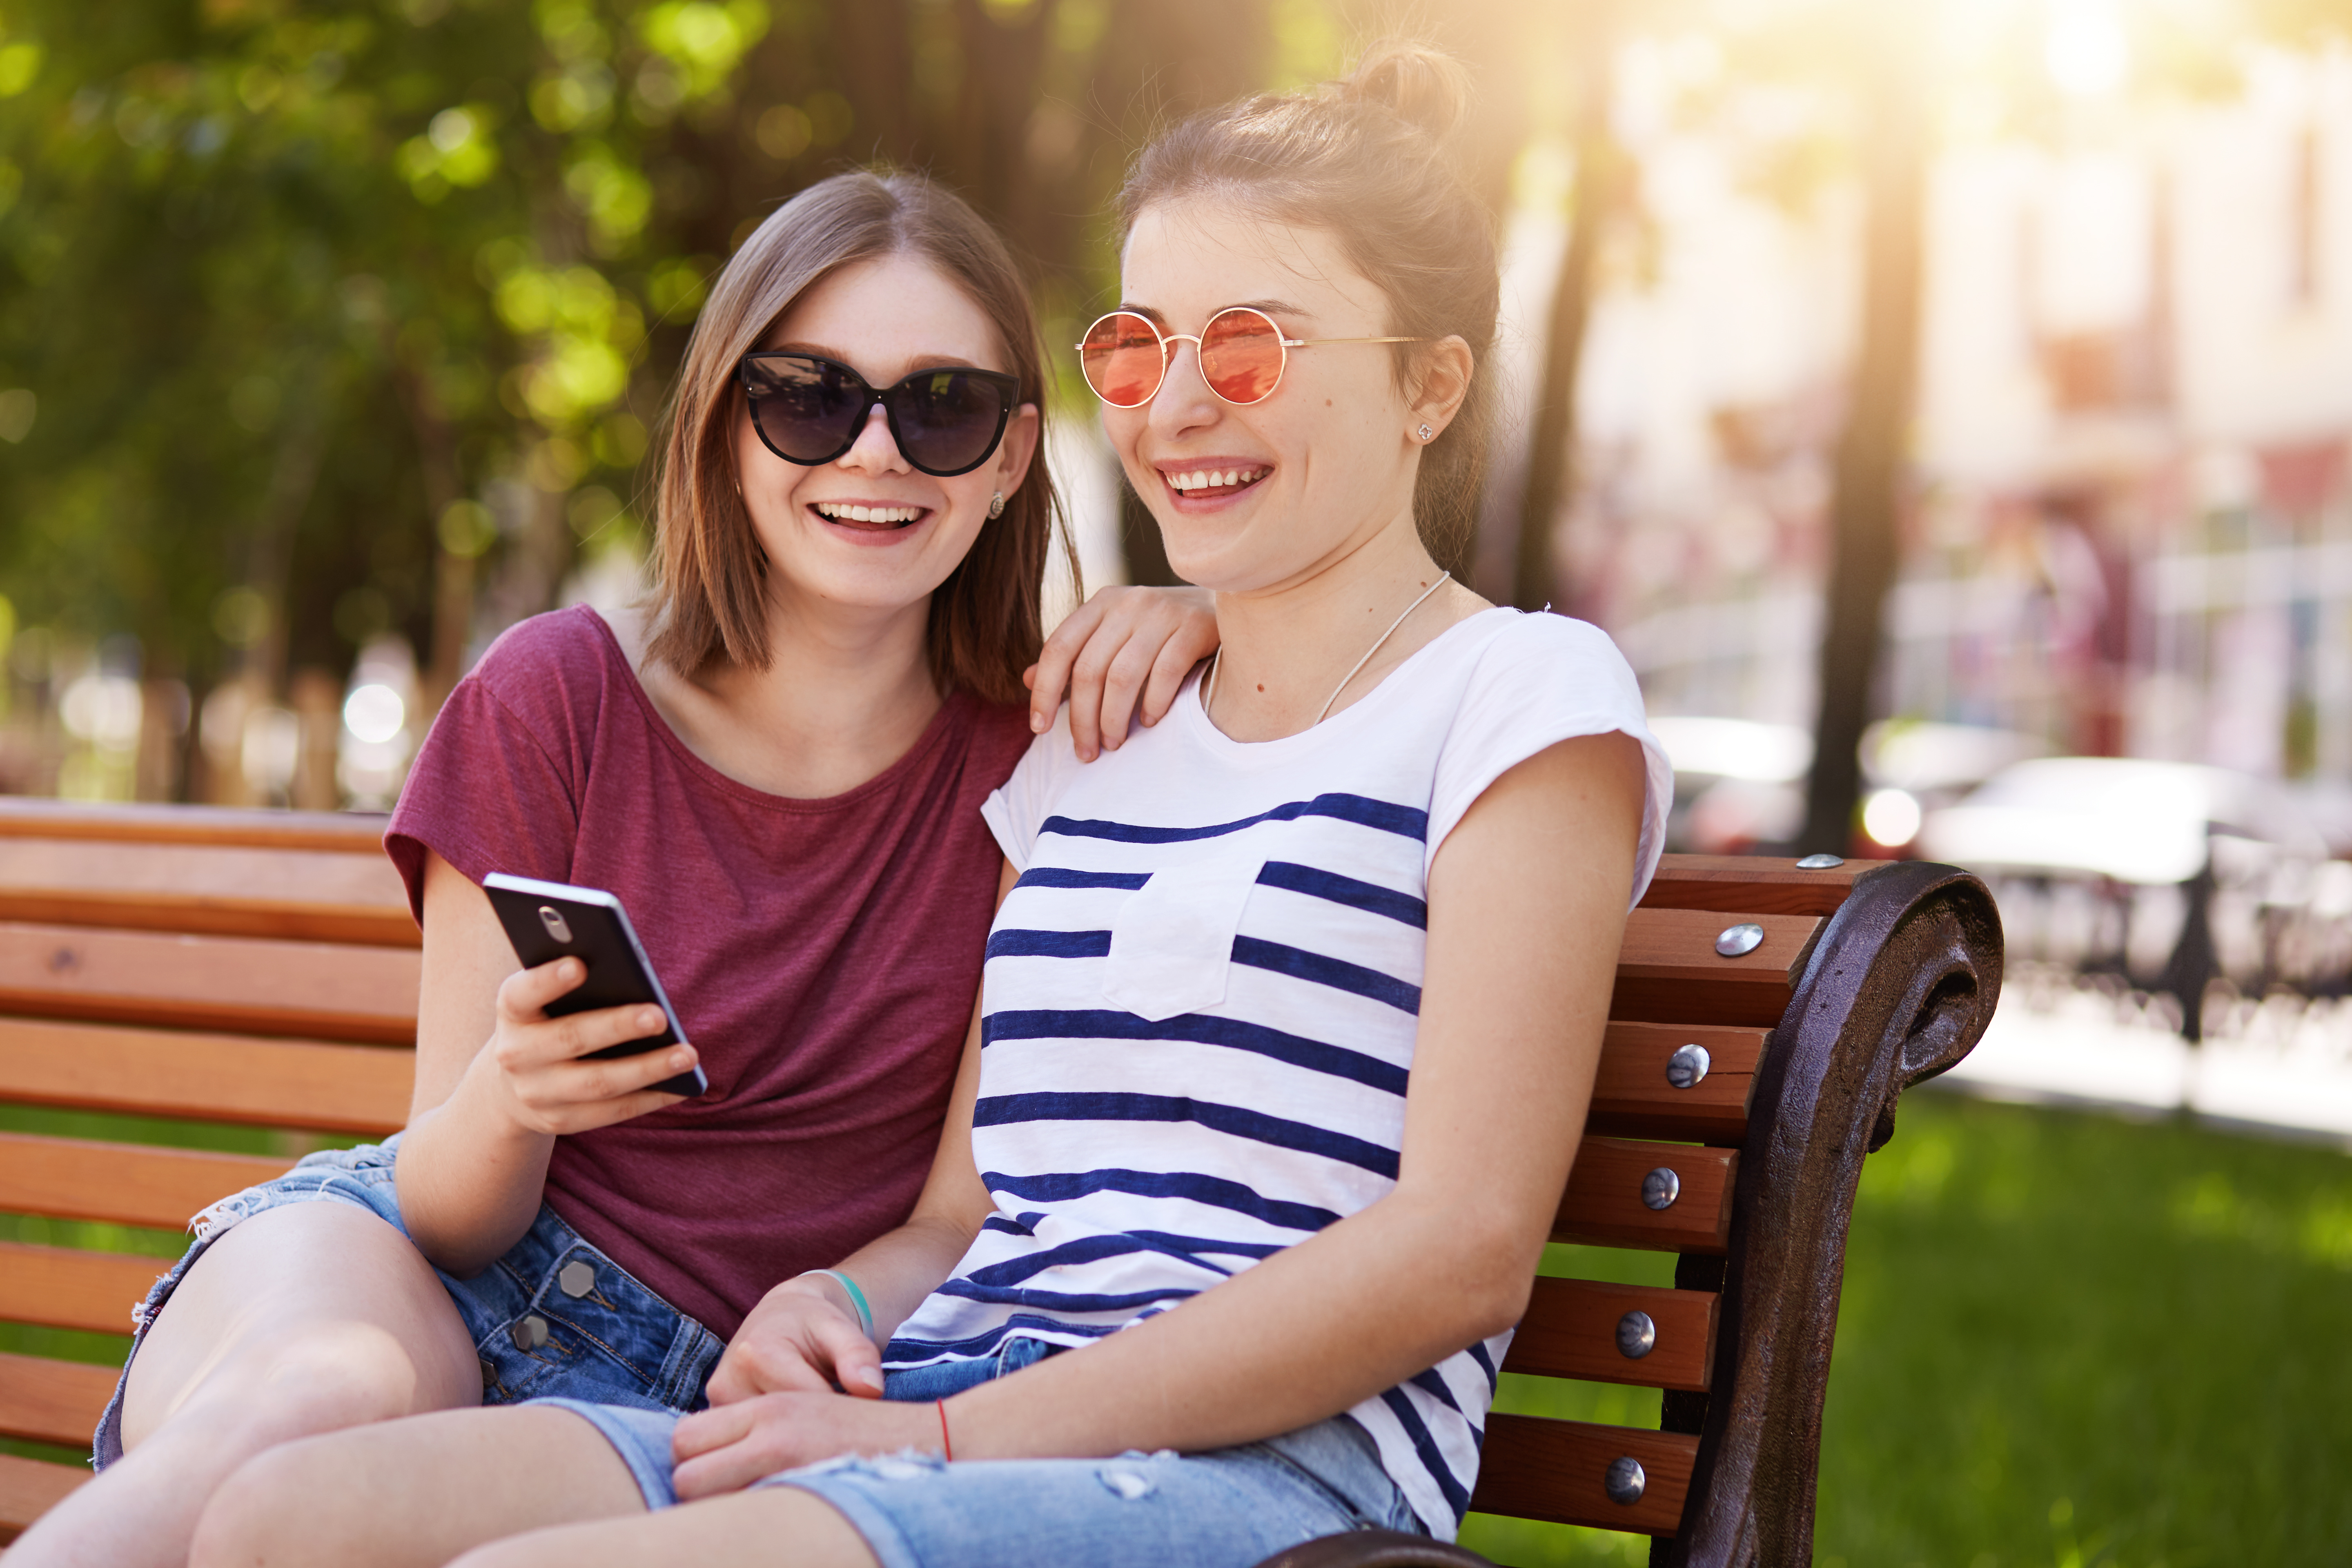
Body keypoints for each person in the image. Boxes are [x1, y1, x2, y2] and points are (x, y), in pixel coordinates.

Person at [182, 41, 1673, 1568]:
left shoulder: (1525, 696)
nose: (1177, 409)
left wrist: (935, 1441)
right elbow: (961, 1213)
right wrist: (825, 1309)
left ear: (1431, 384)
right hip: (945, 1401)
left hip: (1262, 1476)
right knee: (293, 1526)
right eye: (1138, 349)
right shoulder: (1097, 734)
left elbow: (1461, 1255)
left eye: (1252, 351)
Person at [8, 169, 1220, 1568]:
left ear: (1014, 456)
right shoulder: (557, 697)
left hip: (708, 1405)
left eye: (940, 407)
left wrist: (1206, 613)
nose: (875, 452)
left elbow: (960, 1212)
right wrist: (517, 1098)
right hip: (418, 1278)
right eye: (809, 398)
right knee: (287, 1419)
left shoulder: (1051, 762)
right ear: (725, 428)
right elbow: (444, 1210)